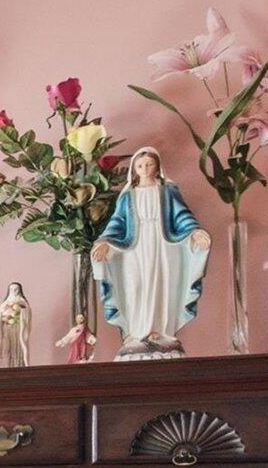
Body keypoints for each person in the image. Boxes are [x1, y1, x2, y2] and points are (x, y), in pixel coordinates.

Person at [90, 146, 211, 358]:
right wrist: (105, 242)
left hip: (163, 246)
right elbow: (118, 222)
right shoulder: (128, 196)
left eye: (149, 164)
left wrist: (194, 233)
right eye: (140, 166)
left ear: (157, 166)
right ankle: (136, 332)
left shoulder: (167, 191)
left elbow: (181, 215)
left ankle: (161, 331)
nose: (145, 169)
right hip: (134, 250)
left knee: (162, 286)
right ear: (134, 169)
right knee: (135, 286)